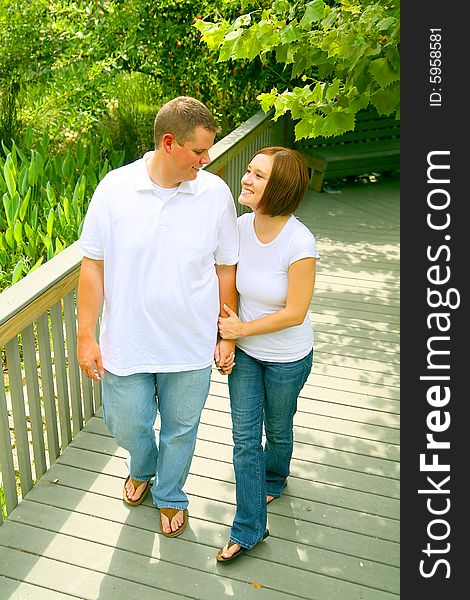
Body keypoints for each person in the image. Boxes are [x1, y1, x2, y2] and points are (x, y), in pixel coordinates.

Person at [77, 96, 238, 539]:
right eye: (198, 151)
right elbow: (93, 263)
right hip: (126, 341)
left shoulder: (214, 194)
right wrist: (85, 336)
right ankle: (142, 466)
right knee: (127, 421)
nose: (206, 160)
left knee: (182, 430)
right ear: (169, 143)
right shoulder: (114, 188)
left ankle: (170, 494)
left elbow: (227, 265)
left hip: (190, 343)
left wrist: (227, 332)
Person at [215, 146, 319, 562]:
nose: (246, 179)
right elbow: (230, 290)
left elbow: (295, 313)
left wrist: (240, 330)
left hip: (288, 359)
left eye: (258, 176)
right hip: (246, 354)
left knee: (277, 430)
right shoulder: (238, 228)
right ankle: (249, 527)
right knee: (244, 440)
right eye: (250, 171)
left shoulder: (300, 242)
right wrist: (228, 339)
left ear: (279, 189)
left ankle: (275, 477)